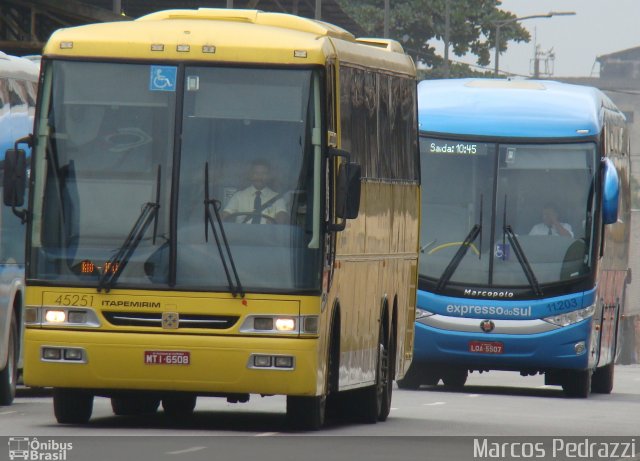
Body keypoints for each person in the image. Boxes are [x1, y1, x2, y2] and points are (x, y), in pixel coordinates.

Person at [222, 159, 288, 224]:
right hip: (241, 234)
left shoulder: (277, 198)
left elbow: (281, 216)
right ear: (250, 175)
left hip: (266, 234)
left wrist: (276, 223)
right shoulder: (238, 196)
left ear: (268, 176)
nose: (259, 177)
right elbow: (225, 215)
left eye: (264, 173)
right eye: (255, 173)